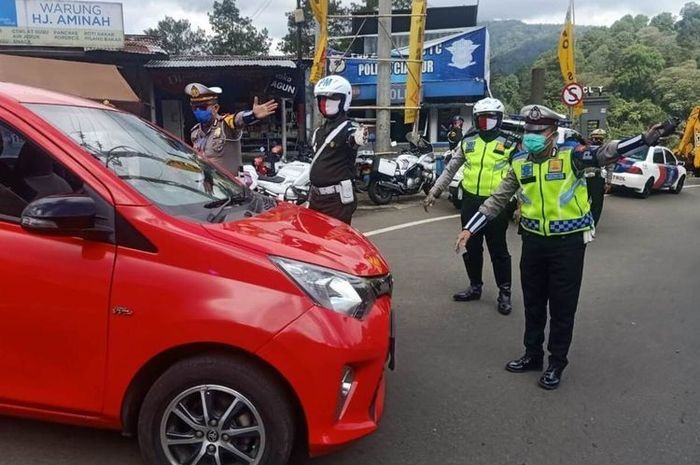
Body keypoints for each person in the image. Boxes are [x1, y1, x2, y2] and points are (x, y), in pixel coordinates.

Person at [455, 105, 675, 390]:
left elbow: (605, 152)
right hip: (533, 241)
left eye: (539, 132)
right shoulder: (520, 162)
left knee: (561, 307)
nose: (532, 137)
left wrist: (645, 139)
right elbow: (496, 200)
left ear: (552, 134)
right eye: (529, 132)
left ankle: (556, 362)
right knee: (534, 303)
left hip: (568, 245)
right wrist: (469, 228)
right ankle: (532, 354)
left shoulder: (572, 156)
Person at [424, 98, 518, 315]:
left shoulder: (511, 142)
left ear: (500, 119)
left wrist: (520, 204)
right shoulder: (468, 140)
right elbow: (450, 169)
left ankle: (505, 292)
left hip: (497, 204)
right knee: (472, 247)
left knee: (498, 250)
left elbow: (519, 175)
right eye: (481, 118)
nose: (486, 122)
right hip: (470, 201)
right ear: (475, 119)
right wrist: (435, 191)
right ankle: (475, 286)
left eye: (490, 118)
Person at [308, 75, 368, 225]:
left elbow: (352, 138)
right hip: (316, 197)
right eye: (322, 98)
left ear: (344, 100)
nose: (325, 103)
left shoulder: (348, 127)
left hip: (336, 200)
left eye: (332, 98)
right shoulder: (319, 131)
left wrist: (357, 138)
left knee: (334, 244)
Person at [185, 83, 278, 176]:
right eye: (194, 107)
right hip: (206, 184)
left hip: (230, 187)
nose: (197, 111)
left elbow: (237, 119)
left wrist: (252, 115)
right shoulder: (195, 132)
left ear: (216, 108)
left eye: (202, 107)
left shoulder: (226, 125)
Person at [585, 128, 612, 226]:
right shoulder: (585, 148)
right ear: (592, 138)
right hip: (584, 179)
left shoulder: (605, 150)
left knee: (597, 204)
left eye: (601, 139)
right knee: (582, 202)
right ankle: (582, 222)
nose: (598, 141)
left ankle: (592, 224)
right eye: (596, 138)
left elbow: (610, 166)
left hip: (598, 179)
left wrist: (608, 182)